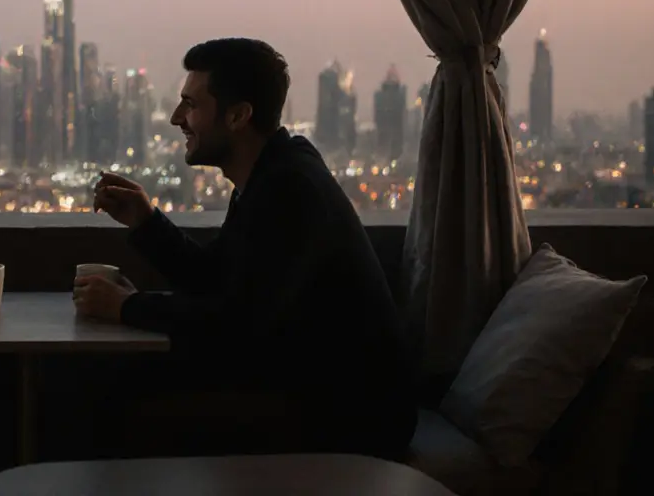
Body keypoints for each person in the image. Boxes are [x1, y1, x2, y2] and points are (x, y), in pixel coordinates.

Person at [73, 38, 416, 460]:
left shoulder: (289, 188)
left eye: (190, 104)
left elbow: (237, 324)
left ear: (238, 116)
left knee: (112, 391)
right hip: (311, 390)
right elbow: (216, 278)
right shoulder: (271, 172)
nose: (177, 118)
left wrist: (127, 308)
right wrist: (145, 221)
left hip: (351, 416)